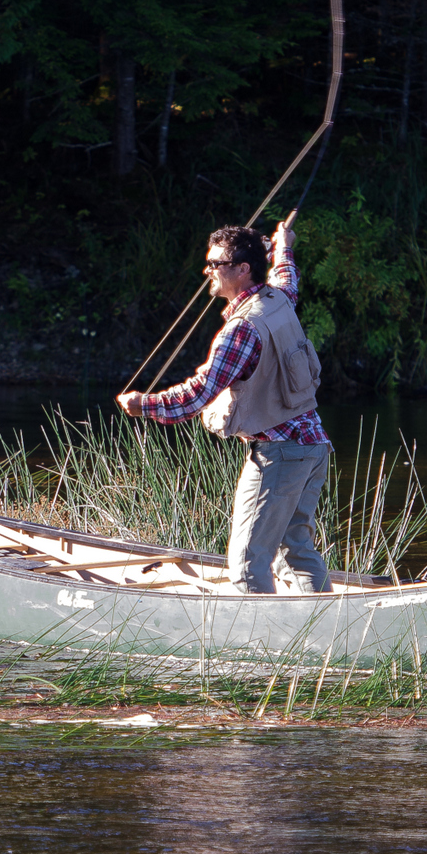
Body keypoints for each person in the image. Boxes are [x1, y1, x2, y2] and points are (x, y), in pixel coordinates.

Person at [116, 219, 332, 594]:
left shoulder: (242, 330)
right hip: (313, 446)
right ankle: (326, 634)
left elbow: (198, 394)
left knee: (248, 561)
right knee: (294, 550)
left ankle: (261, 645)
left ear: (242, 269)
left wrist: (143, 405)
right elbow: (287, 276)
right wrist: (284, 244)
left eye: (216, 263)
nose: (208, 270)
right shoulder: (278, 299)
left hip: (280, 454)